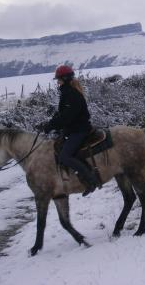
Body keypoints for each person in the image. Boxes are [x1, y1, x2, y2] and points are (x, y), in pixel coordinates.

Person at [40, 65, 98, 196]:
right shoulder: (67, 92)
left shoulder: (72, 94)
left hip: (79, 130)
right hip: (72, 129)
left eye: (59, 79)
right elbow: (62, 113)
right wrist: (50, 122)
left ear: (65, 79)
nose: (58, 82)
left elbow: (67, 116)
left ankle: (90, 180)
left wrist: (51, 125)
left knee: (65, 156)